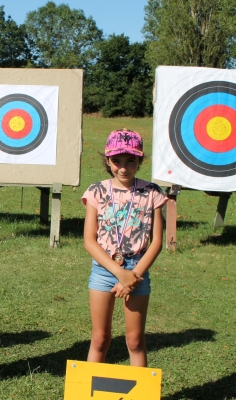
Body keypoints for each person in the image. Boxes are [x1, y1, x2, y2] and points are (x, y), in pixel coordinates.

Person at [82, 129, 167, 367]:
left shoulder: (152, 192)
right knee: (99, 339)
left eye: (131, 161)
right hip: (103, 270)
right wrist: (120, 274)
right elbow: (89, 241)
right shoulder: (96, 191)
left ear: (140, 161)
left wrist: (133, 276)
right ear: (107, 160)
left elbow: (157, 242)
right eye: (116, 161)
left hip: (137, 271)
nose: (123, 167)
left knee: (135, 340)